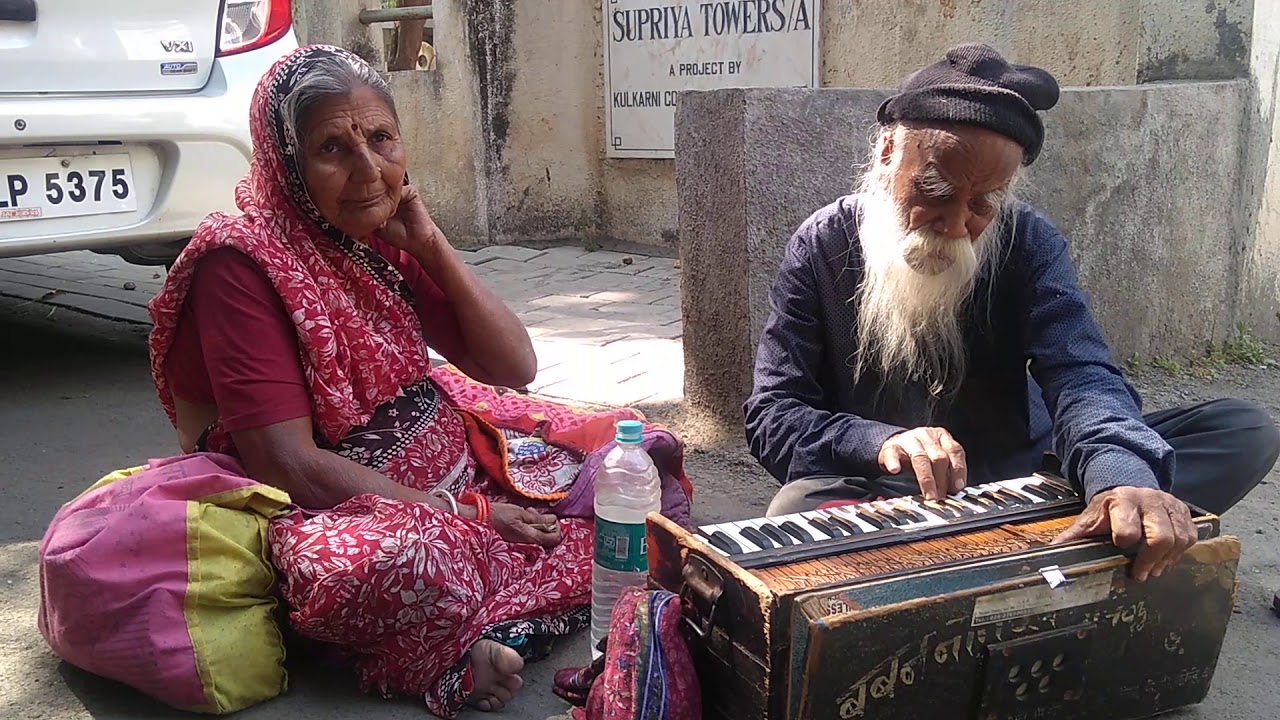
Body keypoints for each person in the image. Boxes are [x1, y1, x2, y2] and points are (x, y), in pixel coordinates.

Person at [146, 45, 691, 718]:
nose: (369, 170)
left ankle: (483, 619)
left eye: (380, 138)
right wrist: (470, 516)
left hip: (463, 476)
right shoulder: (241, 267)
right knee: (390, 567)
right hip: (341, 511)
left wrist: (430, 244)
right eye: (332, 148)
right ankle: (462, 636)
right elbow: (288, 465)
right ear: (285, 164)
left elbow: (513, 365)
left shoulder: (375, 233)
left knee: (635, 469)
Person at [743, 43, 1280, 585]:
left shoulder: (1029, 240)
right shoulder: (823, 245)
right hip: (896, 488)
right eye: (934, 190)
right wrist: (878, 441)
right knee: (796, 506)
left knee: (1242, 430)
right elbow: (773, 413)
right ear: (886, 153)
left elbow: (1081, 374)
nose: (954, 226)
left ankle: (1013, 544)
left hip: (1029, 474)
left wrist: (1120, 477)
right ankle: (1045, 555)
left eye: (982, 204)